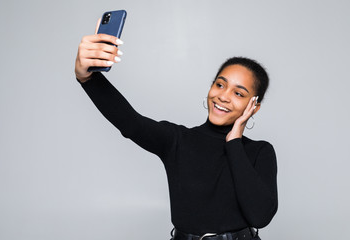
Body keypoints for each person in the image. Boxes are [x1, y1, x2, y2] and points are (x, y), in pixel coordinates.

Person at [75, 29, 277, 240]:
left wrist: (234, 142)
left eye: (238, 93)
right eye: (220, 84)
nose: (223, 96)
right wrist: (87, 78)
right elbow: (130, 123)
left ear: (253, 107)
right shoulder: (177, 140)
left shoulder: (260, 151)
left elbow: (260, 216)